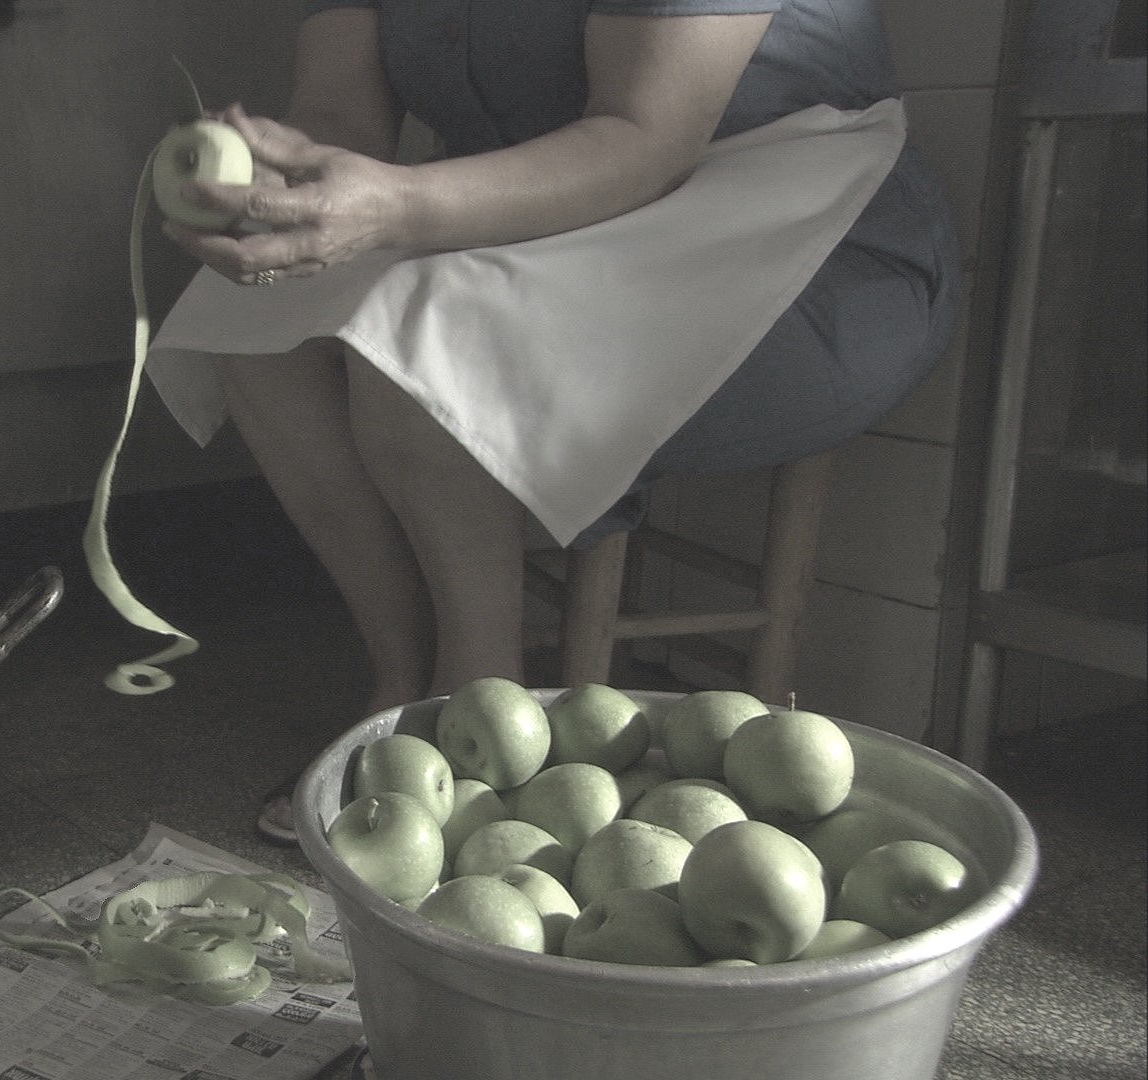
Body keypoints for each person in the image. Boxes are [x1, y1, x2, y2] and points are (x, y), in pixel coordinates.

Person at [155, 1, 960, 843]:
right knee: (248, 319)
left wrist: (395, 206)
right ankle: (399, 681)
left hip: (787, 211)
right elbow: (340, 116)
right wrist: (275, 182)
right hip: (549, 206)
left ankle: (483, 717)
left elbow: (645, 135)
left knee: (438, 335)